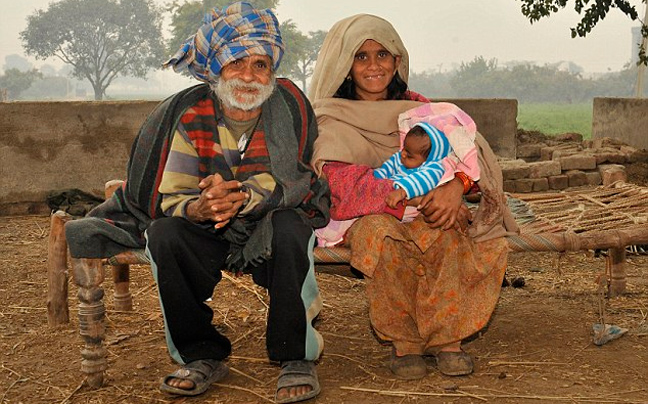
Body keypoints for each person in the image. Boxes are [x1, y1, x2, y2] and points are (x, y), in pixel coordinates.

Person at [68, 2, 329, 402]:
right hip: (206, 227)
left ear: (272, 71)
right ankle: (201, 353)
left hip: (268, 221)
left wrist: (241, 196)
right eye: (236, 62)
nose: (249, 75)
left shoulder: (289, 104)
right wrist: (201, 207)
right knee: (165, 233)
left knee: (293, 226)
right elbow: (172, 192)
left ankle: (295, 355)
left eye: (261, 65)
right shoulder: (189, 114)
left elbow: (295, 177)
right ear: (216, 68)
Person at [309, 14, 519, 380]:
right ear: (344, 64)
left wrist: (455, 188)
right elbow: (339, 187)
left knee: (447, 227)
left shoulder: (421, 110)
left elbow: (463, 154)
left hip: (429, 206)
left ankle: (447, 341)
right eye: (361, 57)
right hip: (361, 215)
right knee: (382, 233)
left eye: (383, 55)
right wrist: (412, 197)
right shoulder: (329, 116)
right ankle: (404, 344)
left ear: (397, 61)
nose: (374, 65)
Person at [374, 122, 451, 209]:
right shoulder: (401, 157)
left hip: (408, 199)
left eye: (409, 156)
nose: (403, 154)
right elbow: (388, 166)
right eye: (404, 148)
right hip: (386, 189)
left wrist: (403, 191)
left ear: (427, 160)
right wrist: (376, 177)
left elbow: (425, 178)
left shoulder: (435, 168)